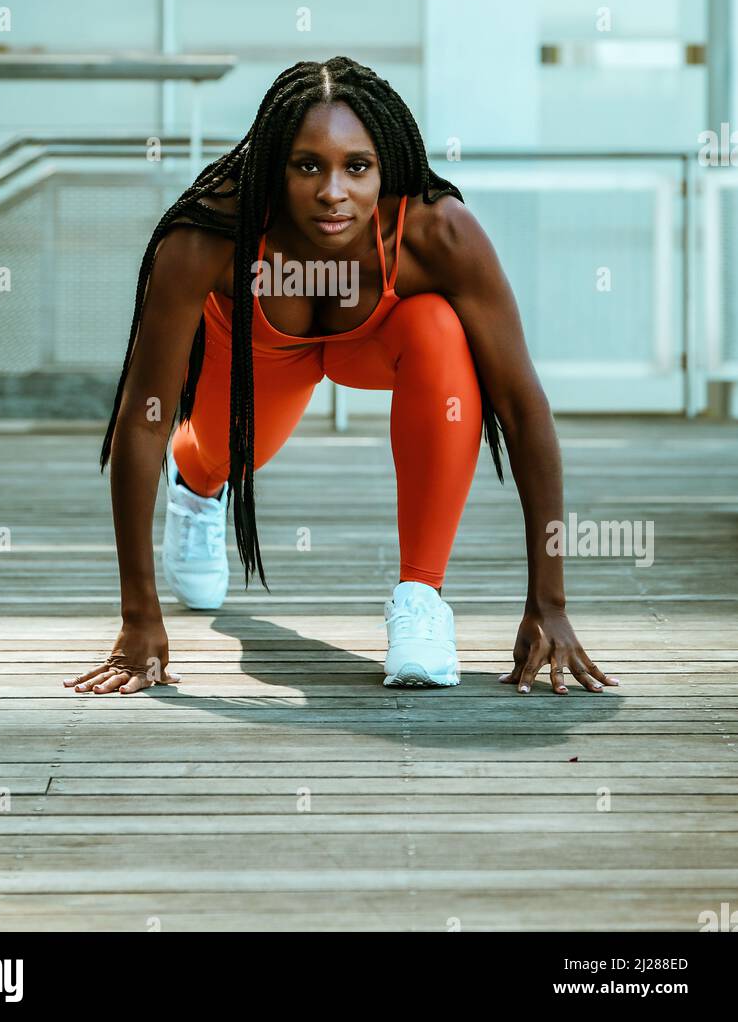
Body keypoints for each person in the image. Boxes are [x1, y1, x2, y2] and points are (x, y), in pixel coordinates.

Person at [64, 56, 619, 698]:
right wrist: (139, 617)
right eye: (308, 166)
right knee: (223, 456)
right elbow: (143, 416)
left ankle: (420, 597)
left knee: (439, 324)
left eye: (356, 167)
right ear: (276, 165)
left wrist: (549, 601)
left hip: (372, 344)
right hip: (258, 353)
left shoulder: (437, 233)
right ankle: (198, 487)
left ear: (387, 168)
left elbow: (523, 410)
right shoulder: (208, 236)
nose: (334, 192)